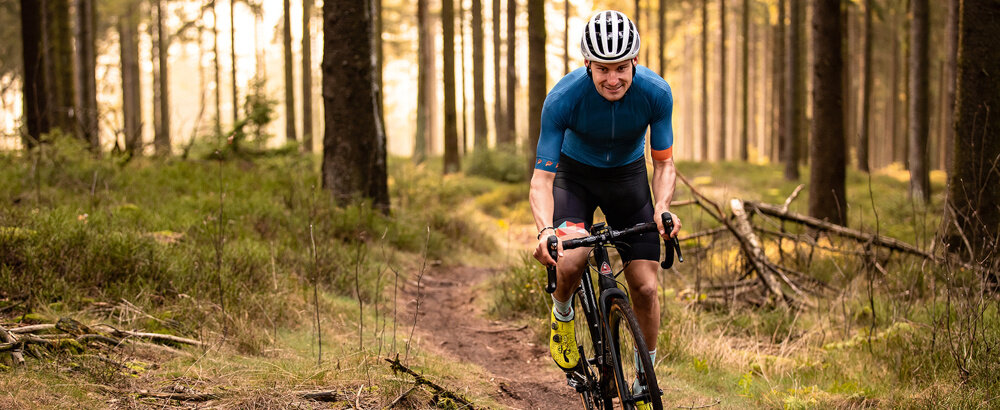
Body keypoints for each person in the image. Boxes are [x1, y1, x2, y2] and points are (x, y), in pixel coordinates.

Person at [529, 9, 681, 402]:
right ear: (587, 65)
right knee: (573, 258)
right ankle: (562, 315)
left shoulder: (656, 92)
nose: (612, 79)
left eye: (620, 68)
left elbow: (663, 163)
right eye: (602, 69)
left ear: (634, 62)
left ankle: (645, 374)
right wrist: (546, 230)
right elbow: (542, 180)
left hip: (628, 179)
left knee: (645, 288)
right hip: (574, 177)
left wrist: (662, 206)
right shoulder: (562, 98)